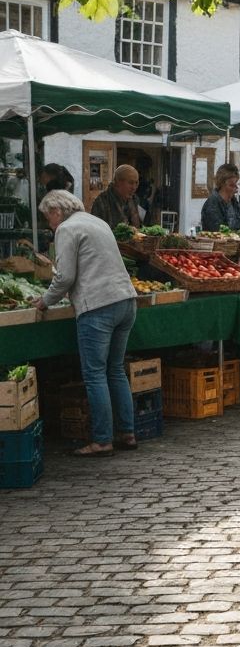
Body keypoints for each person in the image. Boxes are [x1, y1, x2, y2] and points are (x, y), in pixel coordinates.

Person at [31, 190, 138, 457]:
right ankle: (128, 432)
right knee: (115, 369)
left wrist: (45, 300)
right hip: (126, 301)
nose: (49, 224)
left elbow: (65, 276)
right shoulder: (96, 221)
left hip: (98, 306)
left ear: (57, 211)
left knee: (95, 374)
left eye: (48, 217)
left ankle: (102, 440)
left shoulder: (67, 229)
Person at [90, 164, 142, 230]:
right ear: (118, 182)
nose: (134, 187)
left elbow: (140, 228)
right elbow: (95, 231)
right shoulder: (102, 202)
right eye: (130, 183)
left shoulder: (135, 200)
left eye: (136, 183)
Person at [201, 163, 240, 231]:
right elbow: (217, 232)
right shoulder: (212, 204)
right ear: (222, 184)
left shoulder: (233, 202)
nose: (236, 189)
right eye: (231, 185)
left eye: (236, 184)